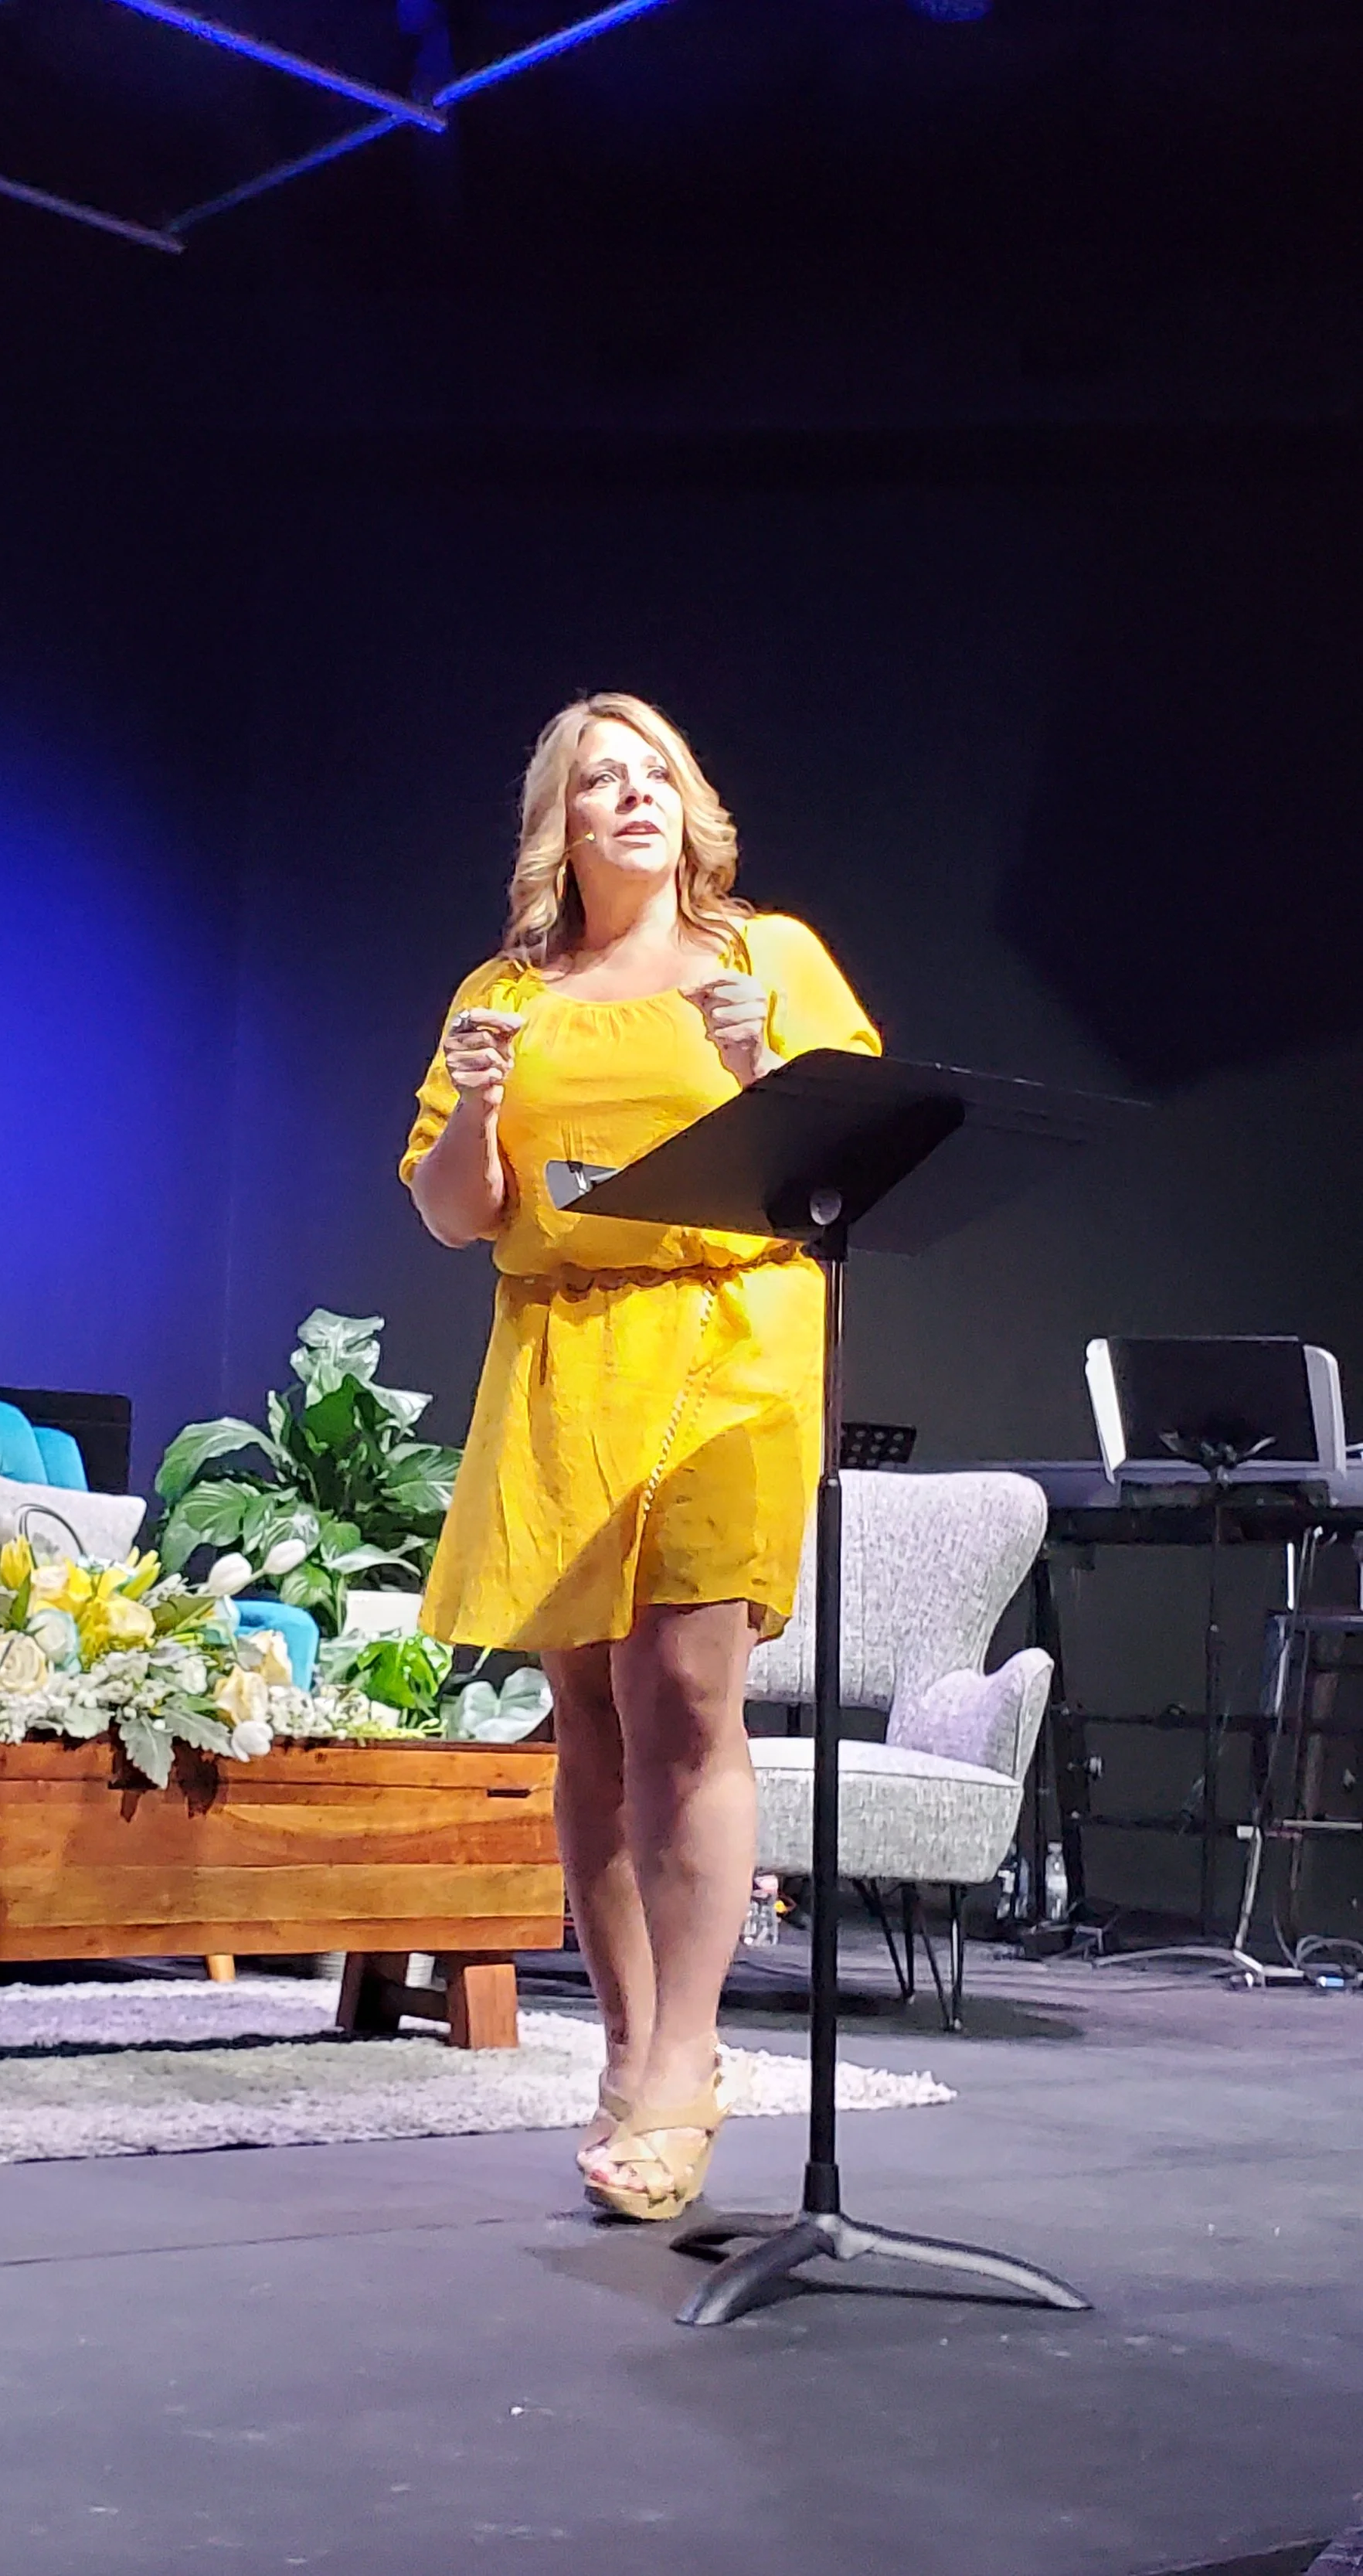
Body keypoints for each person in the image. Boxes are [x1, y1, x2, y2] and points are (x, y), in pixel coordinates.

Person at [401, 692, 879, 2221]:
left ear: (690, 803)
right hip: (561, 1347)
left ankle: (686, 2059)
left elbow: (849, 1172)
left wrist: (755, 1074)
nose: (632, 798)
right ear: (557, 821)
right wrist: (475, 1107)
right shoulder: (505, 989)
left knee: (686, 1687)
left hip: (729, 1332)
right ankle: (620, 2055)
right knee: (592, 1709)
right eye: (599, 780)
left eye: (653, 774)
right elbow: (450, 1210)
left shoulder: (769, 957)